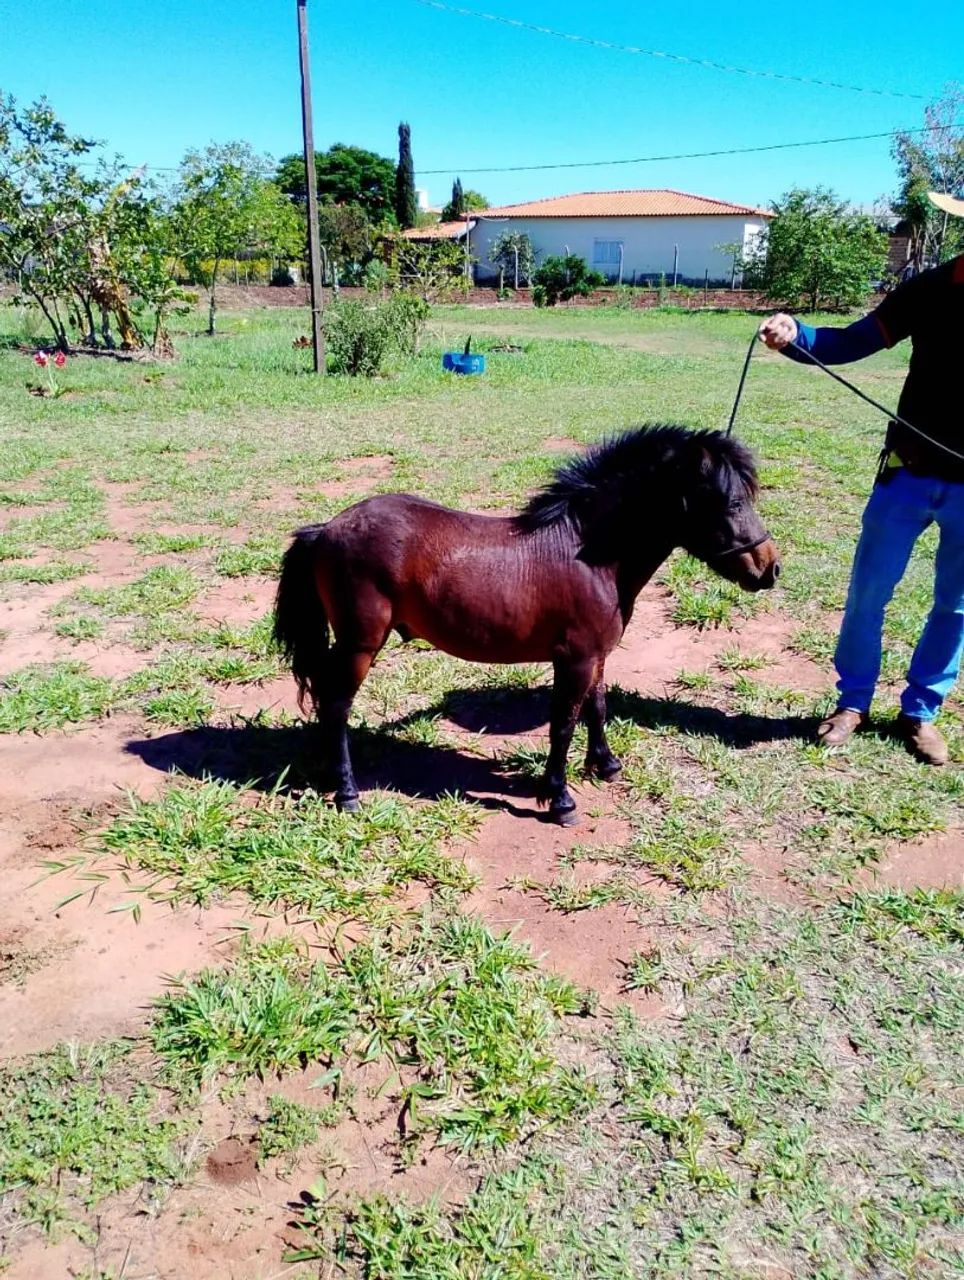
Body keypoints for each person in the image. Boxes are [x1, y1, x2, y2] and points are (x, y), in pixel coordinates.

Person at [759, 190, 964, 766]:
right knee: (868, 593)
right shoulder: (930, 289)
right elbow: (854, 340)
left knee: (955, 606)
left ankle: (922, 711)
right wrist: (798, 334)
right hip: (908, 474)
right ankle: (852, 702)